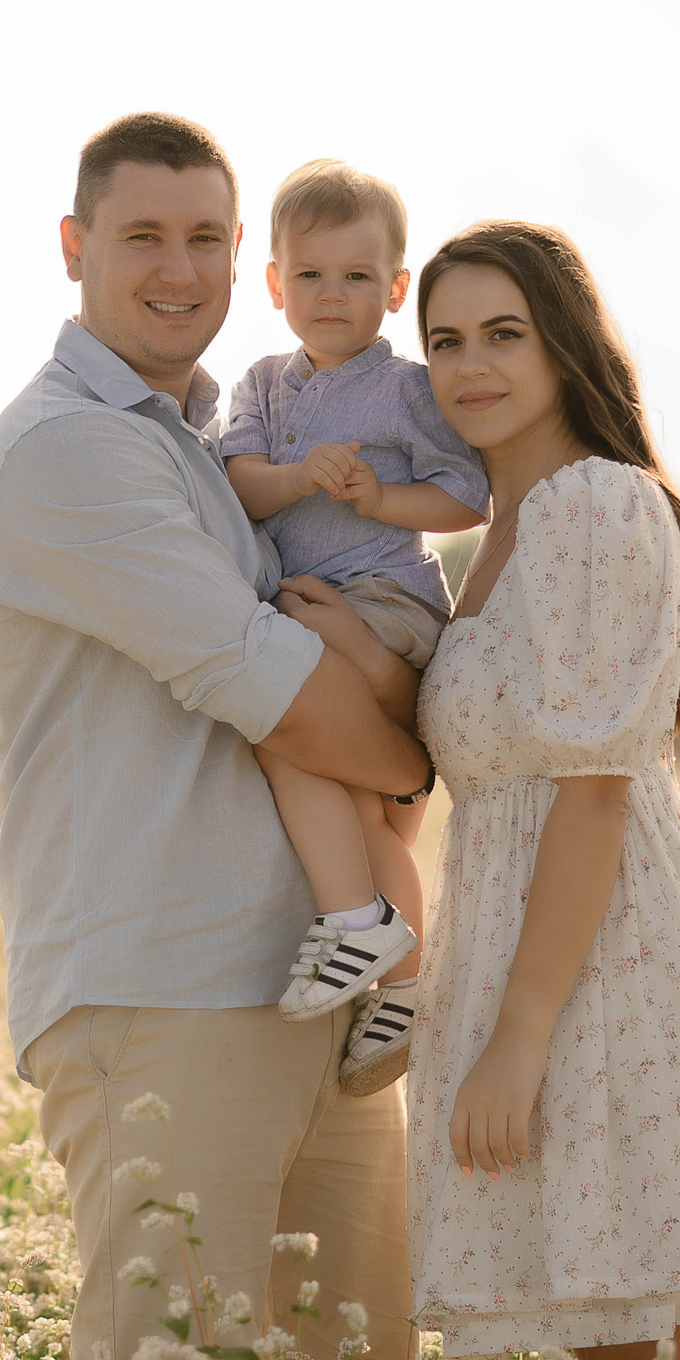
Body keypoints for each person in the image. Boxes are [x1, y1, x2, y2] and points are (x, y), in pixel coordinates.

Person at [285, 220, 680, 1360]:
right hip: (545, 963)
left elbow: (590, 796)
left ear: (566, 343)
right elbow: (474, 749)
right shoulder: (504, 524)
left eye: (503, 335)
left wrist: (520, 1038)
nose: (470, 367)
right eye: (446, 342)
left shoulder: (592, 505)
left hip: (607, 977)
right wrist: (358, 646)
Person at [0, 113, 432, 1360]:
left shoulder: (218, 439)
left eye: (208, 239)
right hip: (164, 985)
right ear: (74, 250)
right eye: (143, 238)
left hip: (308, 984)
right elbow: (280, 697)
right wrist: (418, 761)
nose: (181, 270)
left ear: (247, 257)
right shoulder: (71, 451)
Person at [216, 159, 486, 1095]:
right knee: (366, 805)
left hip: (387, 600)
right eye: (314, 276)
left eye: (359, 277)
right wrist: (298, 481)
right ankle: (402, 982)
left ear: (396, 287)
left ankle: (357, 922)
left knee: (285, 729)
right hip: (313, 602)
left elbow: (466, 493)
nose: (334, 295)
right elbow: (241, 480)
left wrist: (380, 496)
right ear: (276, 285)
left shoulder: (407, 389)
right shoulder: (261, 384)